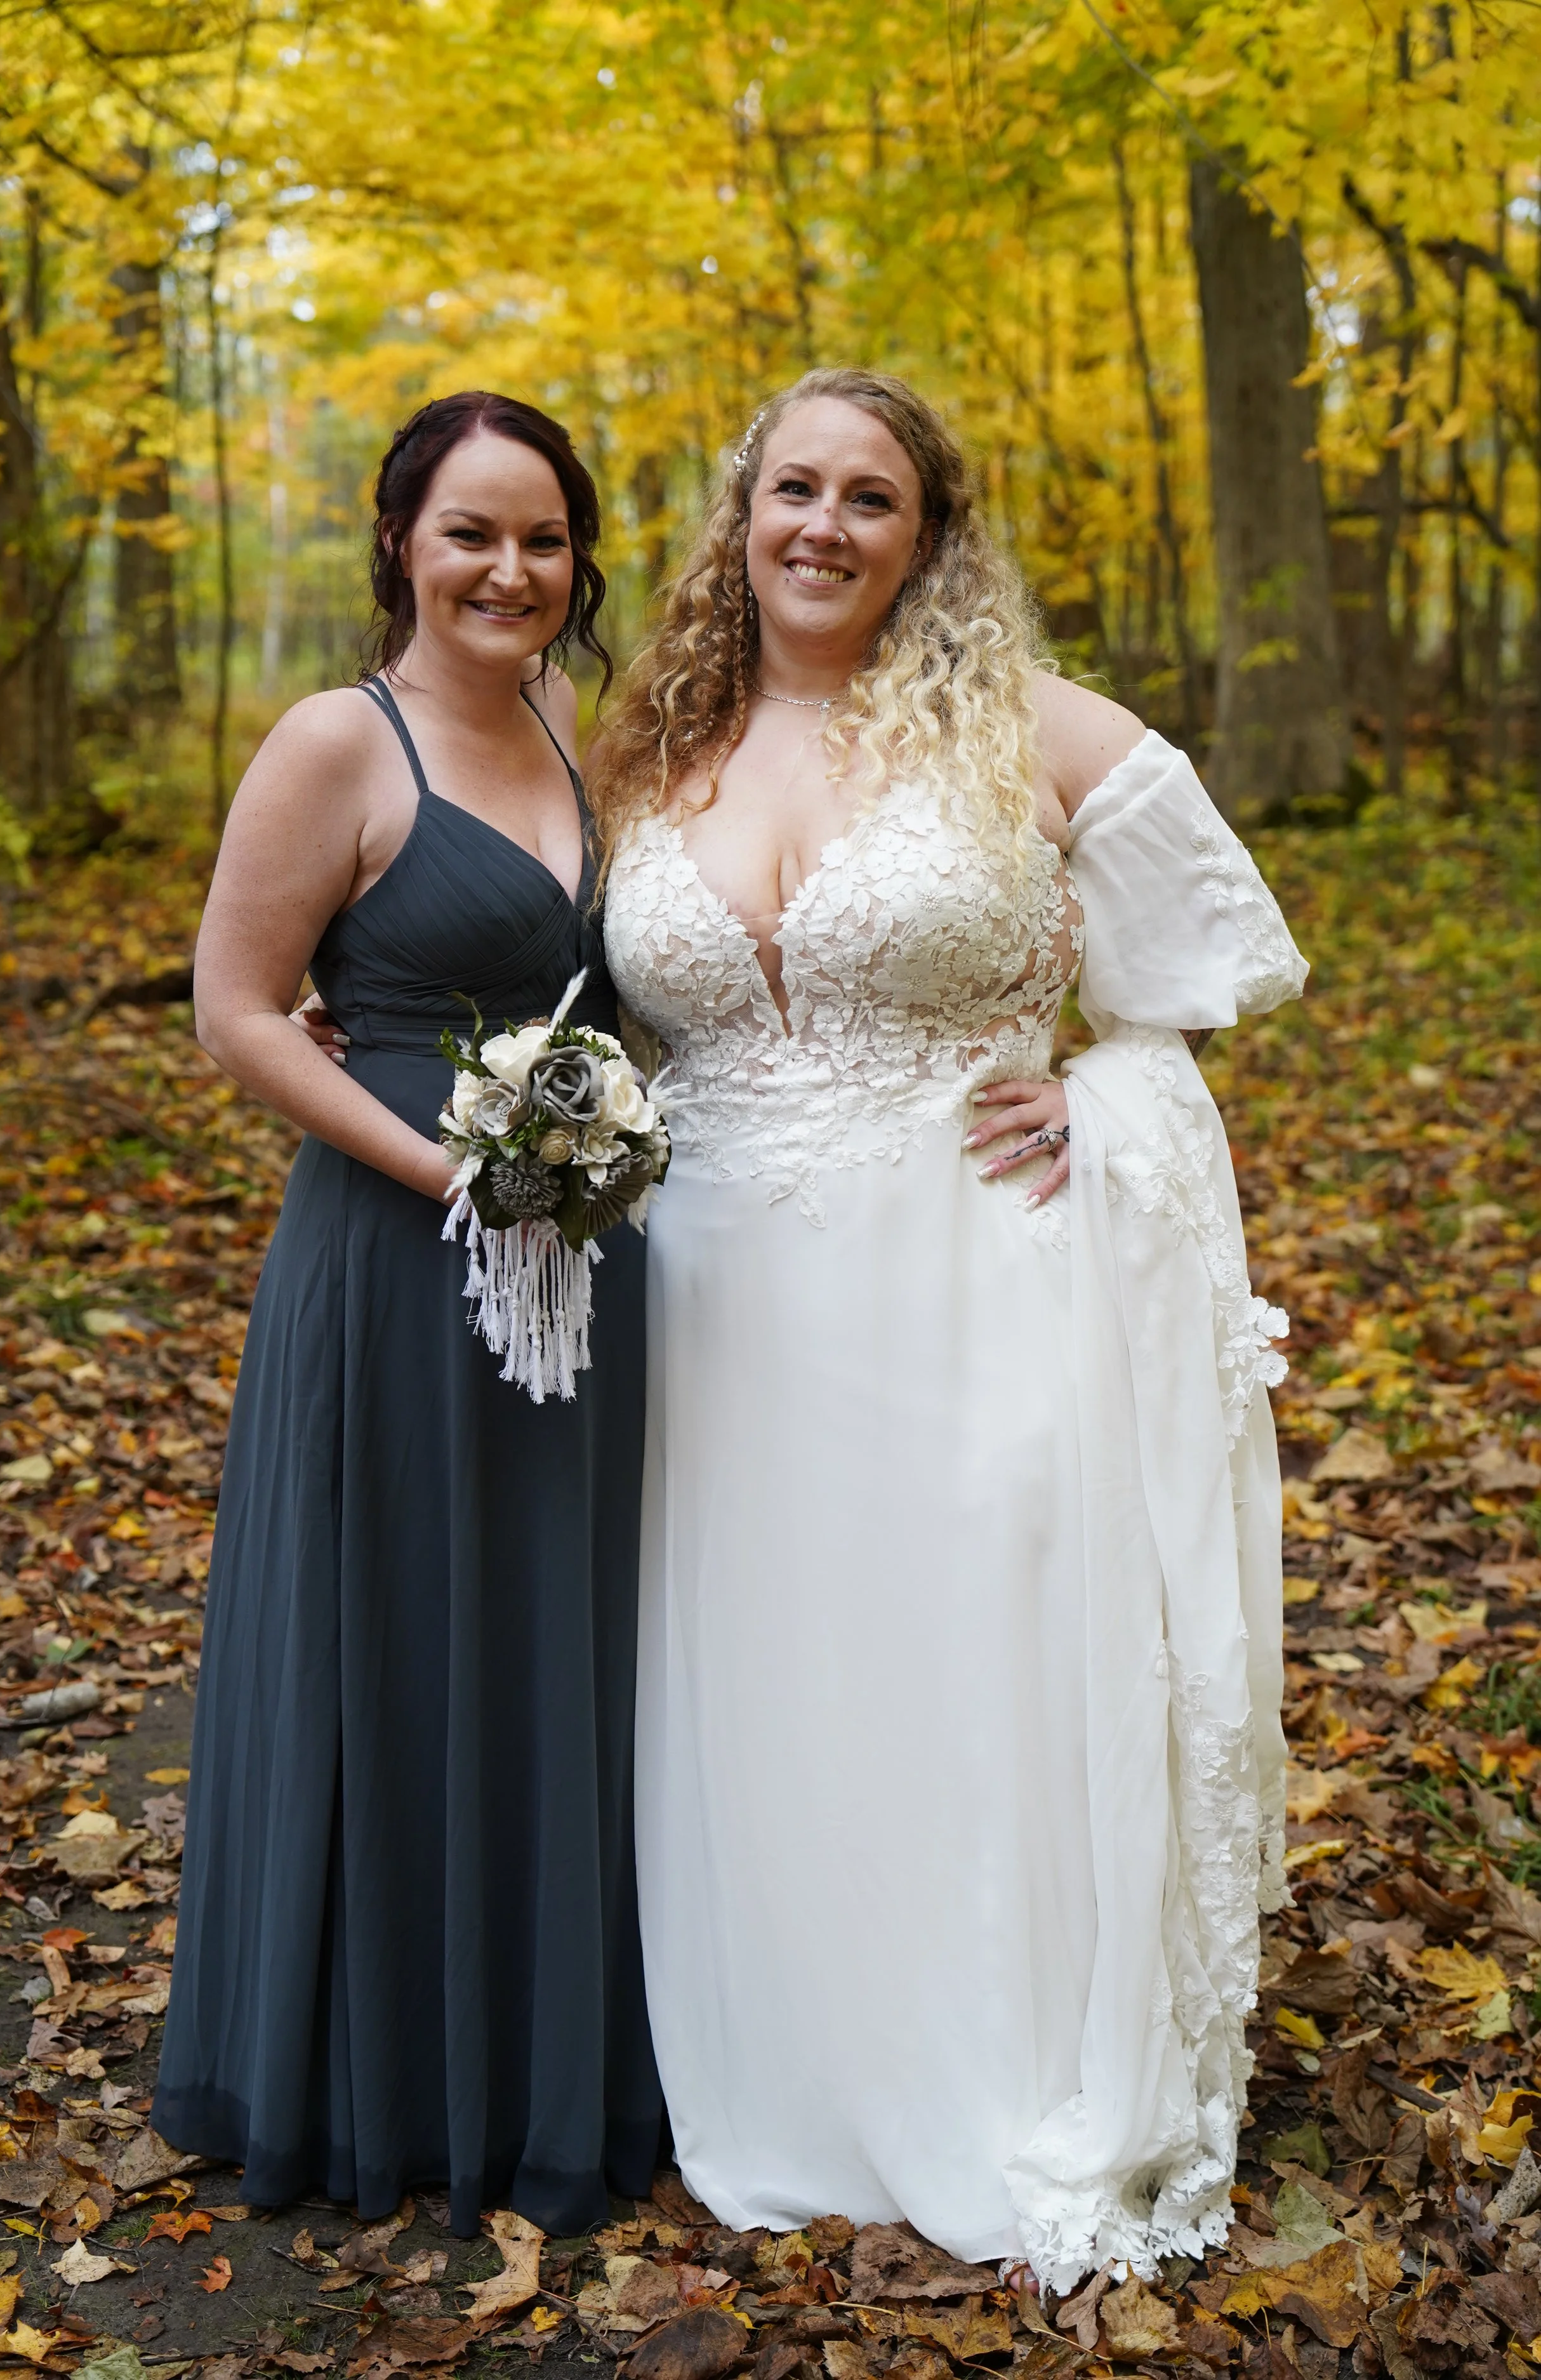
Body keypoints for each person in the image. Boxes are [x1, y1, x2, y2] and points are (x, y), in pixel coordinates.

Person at [587, 368, 1305, 2286]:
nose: (822, 526)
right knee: (764, 1682)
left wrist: (1105, 1092)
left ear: (928, 537)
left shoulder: (1029, 729)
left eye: (870, 497)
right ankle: (791, 2074)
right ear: (740, 514)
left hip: (975, 1280)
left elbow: (1212, 971)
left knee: (977, 1656)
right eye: (792, 488)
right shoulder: (657, 747)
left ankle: (998, 2065)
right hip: (714, 1317)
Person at [154, 392, 661, 2235]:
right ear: (399, 543)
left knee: (554, 1641)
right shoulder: (334, 742)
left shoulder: (586, 732)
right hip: (397, 1261)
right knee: (399, 1637)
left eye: (543, 539)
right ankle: (384, 2071)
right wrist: (451, 1173)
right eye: (471, 532)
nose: (509, 569)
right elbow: (233, 1009)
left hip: (582, 1269)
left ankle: (550, 2056)